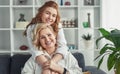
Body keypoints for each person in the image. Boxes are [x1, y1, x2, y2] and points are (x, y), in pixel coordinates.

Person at [23, 1, 68, 73]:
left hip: (55, 57)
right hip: (41, 58)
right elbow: (35, 50)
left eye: (54, 15)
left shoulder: (58, 26)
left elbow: (63, 46)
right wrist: (47, 68)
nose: (50, 17)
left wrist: (51, 64)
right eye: (47, 13)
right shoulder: (31, 28)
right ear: (41, 13)